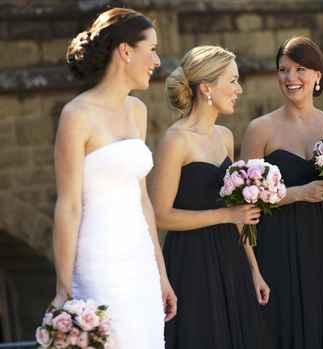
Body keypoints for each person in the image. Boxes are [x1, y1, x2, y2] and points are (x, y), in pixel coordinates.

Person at [52, 8, 176, 348]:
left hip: (141, 264)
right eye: (150, 49)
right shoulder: (76, 115)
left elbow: (143, 201)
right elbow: (69, 206)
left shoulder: (138, 110)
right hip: (99, 264)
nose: (156, 59)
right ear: (125, 51)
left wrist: (161, 273)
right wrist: (63, 289)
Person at [240, 36, 323, 349]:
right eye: (283, 70)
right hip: (278, 243)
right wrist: (300, 193)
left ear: (317, 76)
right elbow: (246, 198)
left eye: (300, 69)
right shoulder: (260, 129)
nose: (290, 78)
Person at [152, 45, 270, 349]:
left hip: (232, 261)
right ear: (206, 88)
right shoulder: (175, 140)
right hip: (192, 263)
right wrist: (226, 216)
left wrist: (255, 271)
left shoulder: (225, 136)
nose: (239, 89)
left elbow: (238, 212)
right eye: (232, 81)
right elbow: (160, 216)